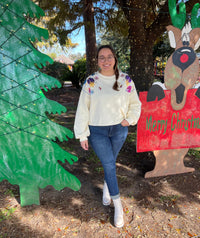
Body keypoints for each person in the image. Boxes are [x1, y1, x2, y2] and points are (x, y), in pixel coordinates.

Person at [74, 45, 141, 228]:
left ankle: (107, 188)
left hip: (119, 129)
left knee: (109, 163)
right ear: (97, 61)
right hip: (97, 131)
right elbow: (82, 109)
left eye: (109, 56)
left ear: (115, 59)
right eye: (101, 57)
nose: (105, 60)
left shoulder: (125, 79)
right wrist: (82, 134)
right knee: (110, 164)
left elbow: (135, 103)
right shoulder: (91, 82)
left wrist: (130, 120)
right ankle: (118, 205)